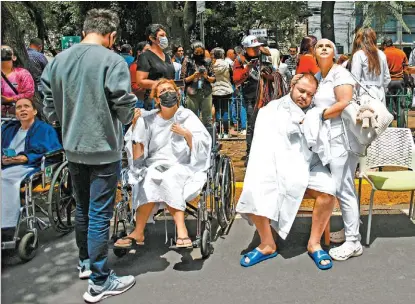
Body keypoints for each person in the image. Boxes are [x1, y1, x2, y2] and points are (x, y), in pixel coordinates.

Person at [41, 9, 137, 303]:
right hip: (103, 147)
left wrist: (60, 120)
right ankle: (99, 280)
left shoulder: (57, 60)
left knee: (82, 209)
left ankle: (85, 263)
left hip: (72, 147)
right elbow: (124, 104)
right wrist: (128, 118)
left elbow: (47, 101)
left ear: (85, 31)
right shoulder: (112, 60)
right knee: (98, 214)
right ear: (111, 36)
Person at [237, 73, 336, 270]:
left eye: (309, 94)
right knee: (252, 191)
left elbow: (323, 147)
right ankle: (267, 243)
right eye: (301, 91)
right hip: (275, 166)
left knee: (329, 190)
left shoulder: (317, 113)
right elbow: (262, 147)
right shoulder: (270, 110)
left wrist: (311, 127)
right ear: (292, 86)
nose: (304, 97)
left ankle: (314, 243)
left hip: (309, 167)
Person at [114, 79, 211, 249]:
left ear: (177, 93)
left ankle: (181, 230)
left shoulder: (186, 116)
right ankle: (138, 231)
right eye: (163, 92)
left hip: (181, 164)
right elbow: (138, 154)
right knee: (149, 176)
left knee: (170, 176)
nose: (168, 94)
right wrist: (136, 126)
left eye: (170, 90)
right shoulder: (149, 119)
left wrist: (186, 134)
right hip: (154, 164)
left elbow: (202, 146)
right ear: (157, 99)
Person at [313, 38, 363, 261]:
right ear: (314, 52)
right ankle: (349, 231)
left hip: (340, 136)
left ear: (334, 52)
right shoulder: (318, 77)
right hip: (327, 136)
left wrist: (318, 115)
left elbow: (344, 101)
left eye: (328, 46)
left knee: (343, 188)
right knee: (342, 186)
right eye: (319, 46)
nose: (324, 48)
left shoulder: (339, 74)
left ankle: (353, 241)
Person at [1, 98, 61, 241]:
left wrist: (25, 158)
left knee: (4, 179)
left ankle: (6, 227)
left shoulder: (45, 129)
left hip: (29, 166)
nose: (22, 109)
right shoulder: (8, 129)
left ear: (34, 111)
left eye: (26, 106)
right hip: (5, 165)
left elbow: (54, 152)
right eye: (19, 107)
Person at [233, 35, 263, 165]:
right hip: (250, 97)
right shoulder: (240, 60)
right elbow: (236, 79)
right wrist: (248, 69)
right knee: (252, 125)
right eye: (253, 48)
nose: (256, 50)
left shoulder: (262, 56)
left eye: (257, 47)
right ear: (246, 48)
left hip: (264, 95)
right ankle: (251, 153)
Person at [137, 24, 175, 110]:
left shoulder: (167, 56)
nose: (165, 38)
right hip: (154, 100)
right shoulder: (145, 56)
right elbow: (140, 81)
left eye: (165, 35)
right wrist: (162, 85)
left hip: (170, 98)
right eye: (162, 35)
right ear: (152, 38)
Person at [181, 41, 216, 135]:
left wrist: (206, 77)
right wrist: (193, 76)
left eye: (201, 52)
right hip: (192, 92)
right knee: (191, 117)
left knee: (207, 118)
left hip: (206, 92)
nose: (199, 55)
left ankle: (209, 139)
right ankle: (192, 138)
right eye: (197, 53)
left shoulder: (207, 61)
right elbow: (183, 79)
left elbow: (214, 78)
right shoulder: (187, 60)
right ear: (192, 52)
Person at [349, 27, 391, 107]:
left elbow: (355, 79)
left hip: (364, 95)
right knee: (380, 118)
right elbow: (387, 78)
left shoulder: (359, 55)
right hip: (380, 95)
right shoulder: (381, 54)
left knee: (366, 118)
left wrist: (353, 97)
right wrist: (382, 90)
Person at [1, 45, 35, 117]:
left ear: (14, 57)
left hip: (18, 116)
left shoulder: (22, 73)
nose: (3, 52)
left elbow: (29, 93)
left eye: (7, 52)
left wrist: (10, 99)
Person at [383, 37, 409, 127]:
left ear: (385, 45)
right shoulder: (401, 52)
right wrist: (406, 81)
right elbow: (406, 69)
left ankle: (388, 121)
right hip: (399, 81)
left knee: (387, 102)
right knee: (401, 102)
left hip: (388, 82)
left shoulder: (383, 54)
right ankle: (401, 122)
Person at [212, 48, 234, 138]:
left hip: (215, 90)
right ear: (222, 55)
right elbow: (231, 75)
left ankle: (218, 132)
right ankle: (225, 132)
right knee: (225, 110)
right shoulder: (227, 64)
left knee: (217, 110)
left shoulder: (212, 65)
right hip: (226, 90)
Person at [130, 41, 150, 108]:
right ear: (139, 52)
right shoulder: (134, 67)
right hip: (139, 103)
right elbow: (134, 87)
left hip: (148, 100)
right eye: (147, 50)